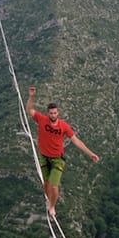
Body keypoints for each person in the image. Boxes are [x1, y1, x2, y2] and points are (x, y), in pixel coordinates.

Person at [27, 87, 99, 217]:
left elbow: (76, 141)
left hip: (57, 159)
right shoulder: (42, 120)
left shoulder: (64, 126)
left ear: (58, 113)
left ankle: (52, 206)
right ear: (48, 113)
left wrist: (90, 153)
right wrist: (32, 97)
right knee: (46, 184)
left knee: (54, 186)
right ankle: (48, 200)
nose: (53, 115)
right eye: (51, 113)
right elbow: (30, 110)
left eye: (55, 113)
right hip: (44, 157)